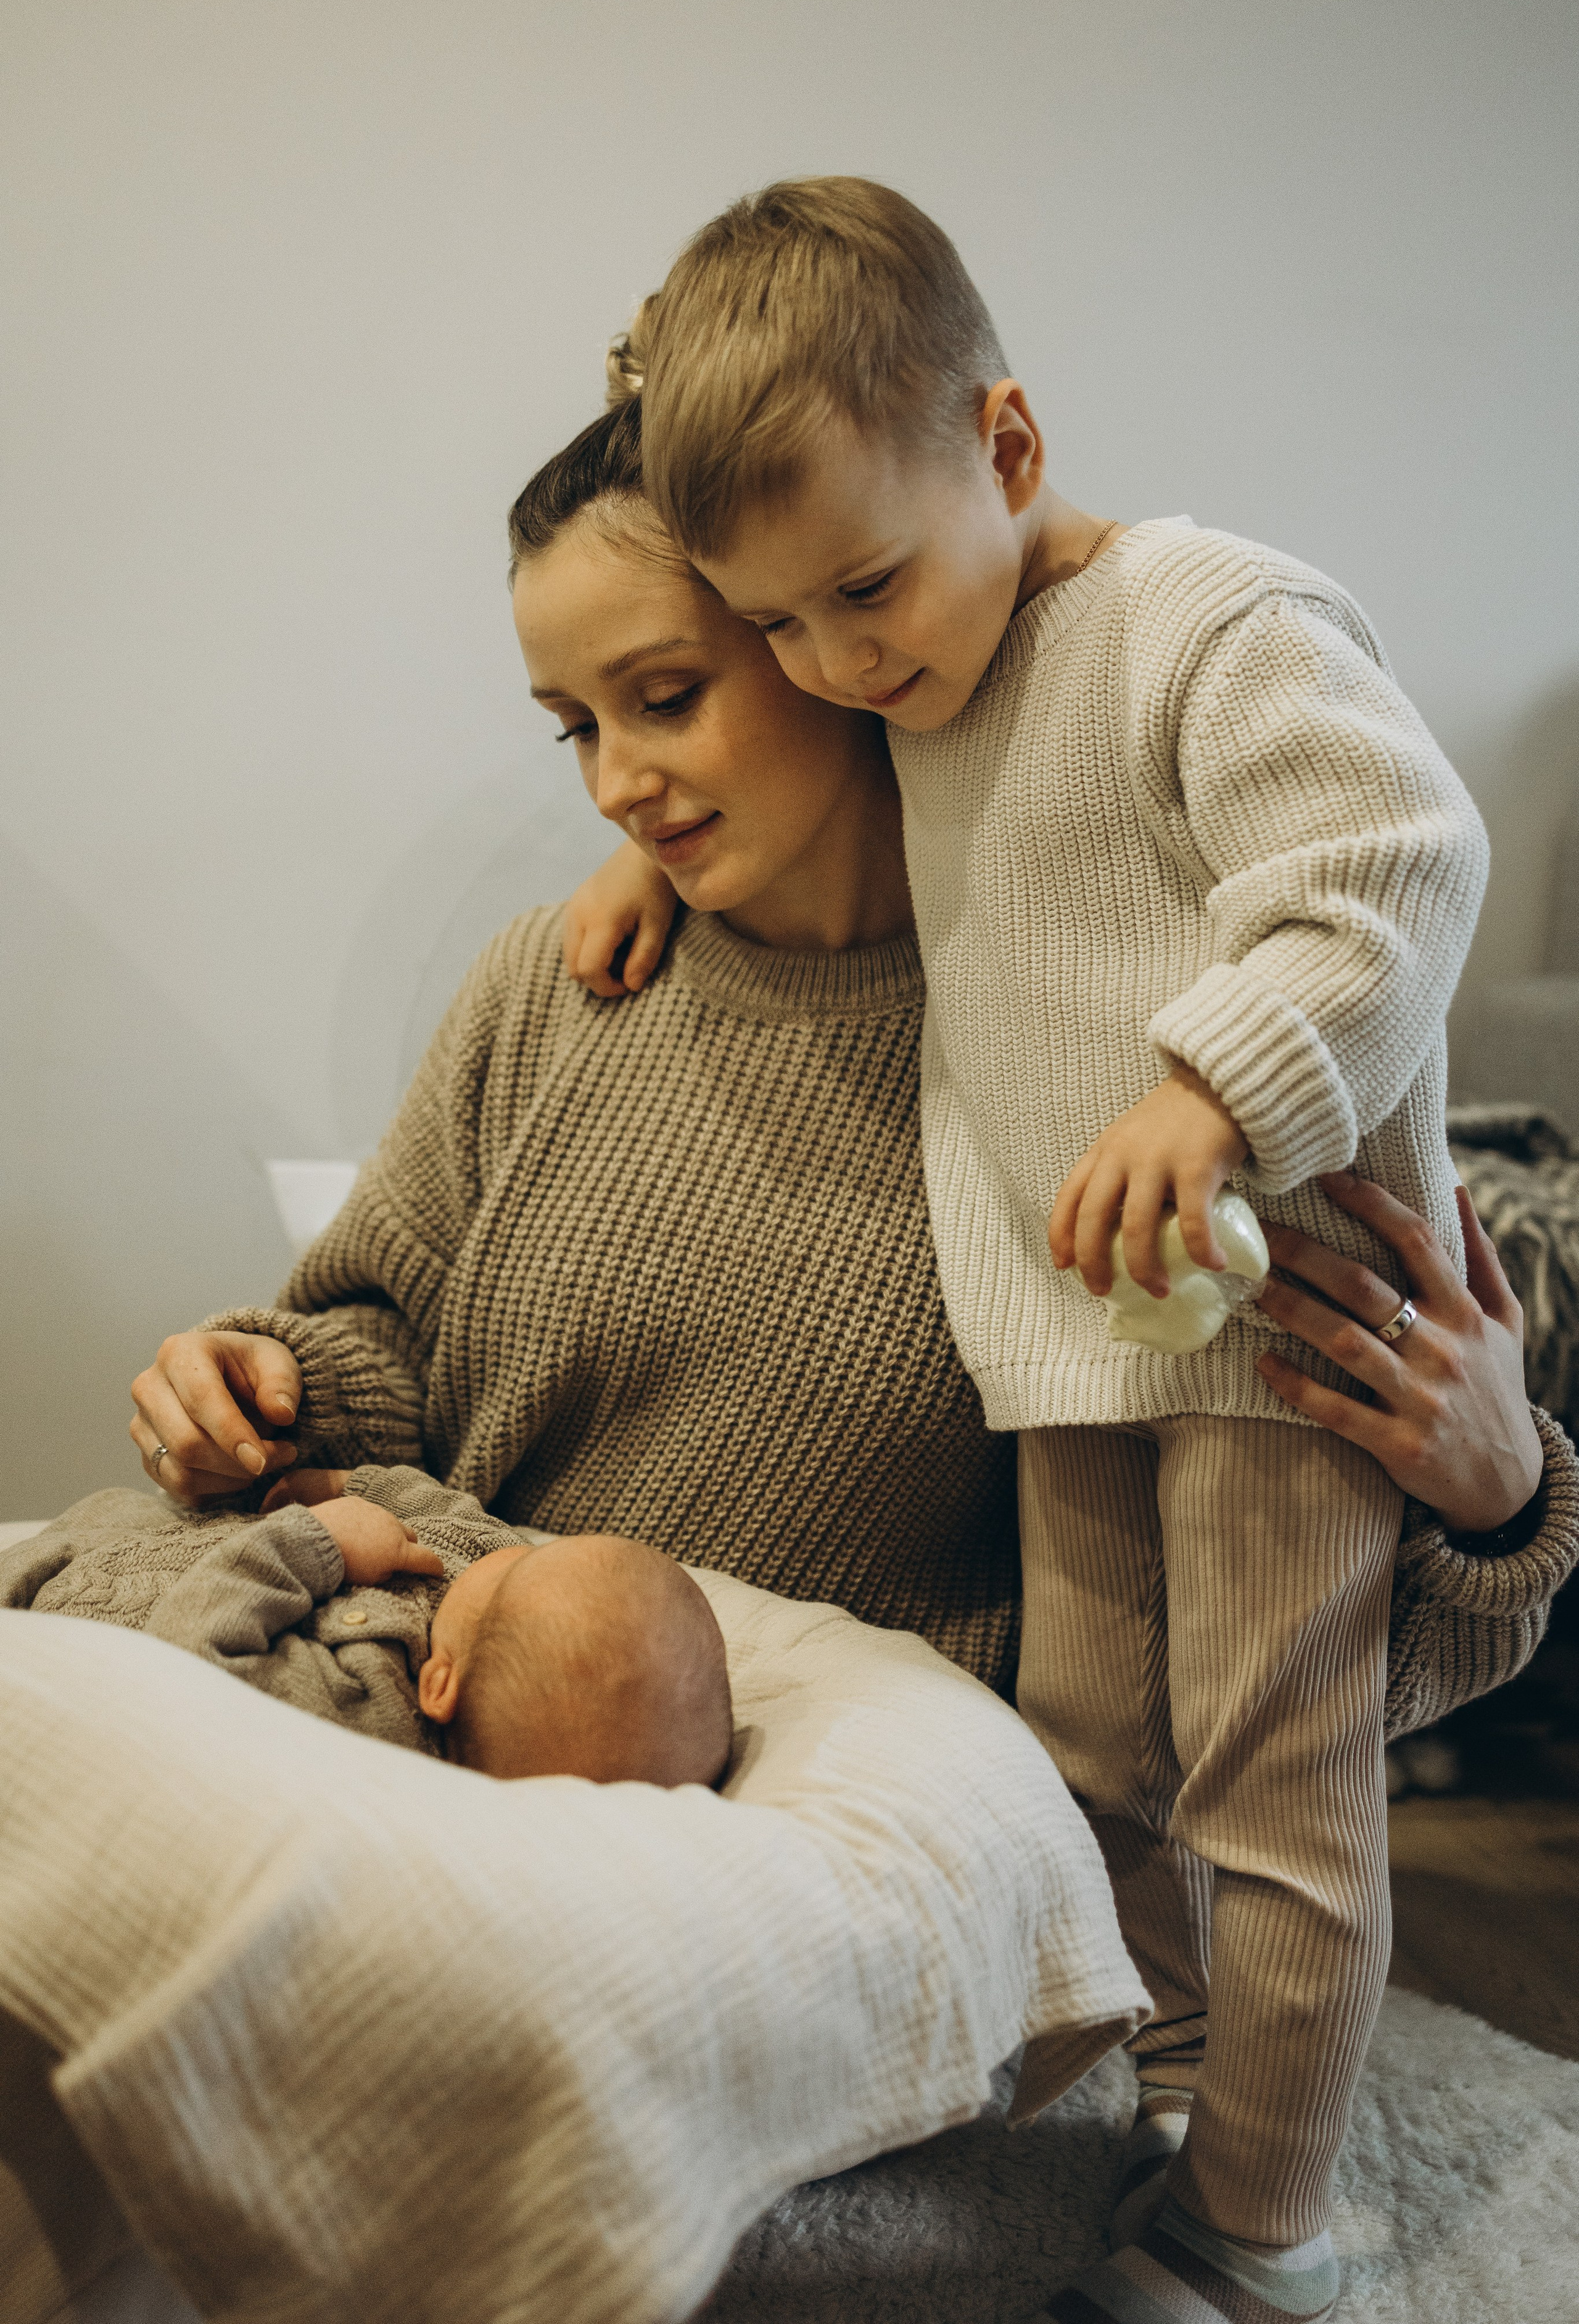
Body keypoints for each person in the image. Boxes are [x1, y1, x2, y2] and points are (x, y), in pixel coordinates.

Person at [125, 382, 1572, 2268]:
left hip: (810, 1850)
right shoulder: (566, 982)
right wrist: (255, 1377)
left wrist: (1493, 1496)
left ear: (846, 649)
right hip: (443, 1694)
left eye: (664, 695)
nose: (614, 782)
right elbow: (378, 1328)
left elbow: (1254, 1700)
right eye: (574, 725)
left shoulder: (1091, 1068)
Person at [557, 177, 1528, 2323]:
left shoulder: (1210, 616)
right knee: (1086, 1764)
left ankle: (1273, 2224)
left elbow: (1397, 862)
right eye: (779, 623)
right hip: (1070, 1339)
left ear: (1007, 446)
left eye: (861, 592)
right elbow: (822, 823)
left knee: (1277, 1785)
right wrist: (649, 880)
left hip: (1285, 1322)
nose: (834, 660)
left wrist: (1214, 1090)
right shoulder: (928, 684)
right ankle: (1170, 2106)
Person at [2, 1471, 732, 1787]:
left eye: (518, 1574)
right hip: (171, 1520)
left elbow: (191, 1662)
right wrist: (347, 1484)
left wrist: (317, 1541)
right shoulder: (492, 1559)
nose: (511, 1551)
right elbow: (444, 1508)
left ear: (440, 1683)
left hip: (64, 1590)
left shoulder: (367, 1713)